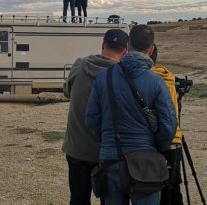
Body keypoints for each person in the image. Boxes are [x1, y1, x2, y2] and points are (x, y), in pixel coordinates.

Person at [86, 24, 177, 205]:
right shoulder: (157, 83)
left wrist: (107, 141)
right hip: (146, 163)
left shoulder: (104, 78)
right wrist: (156, 145)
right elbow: (168, 126)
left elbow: (91, 119)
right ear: (150, 50)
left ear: (128, 46)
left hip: (111, 160)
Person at [63, 29, 129, 205]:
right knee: (109, 200)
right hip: (108, 152)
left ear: (102, 45)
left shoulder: (80, 65)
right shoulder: (124, 74)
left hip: (77, 149)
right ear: (125, 51)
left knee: (78, 198)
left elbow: (67, 92)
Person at [149, 44, 183, 205]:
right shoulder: (168, 77)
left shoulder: (144, 79)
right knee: (174, 189)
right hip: (174, 144)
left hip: (156, 144)